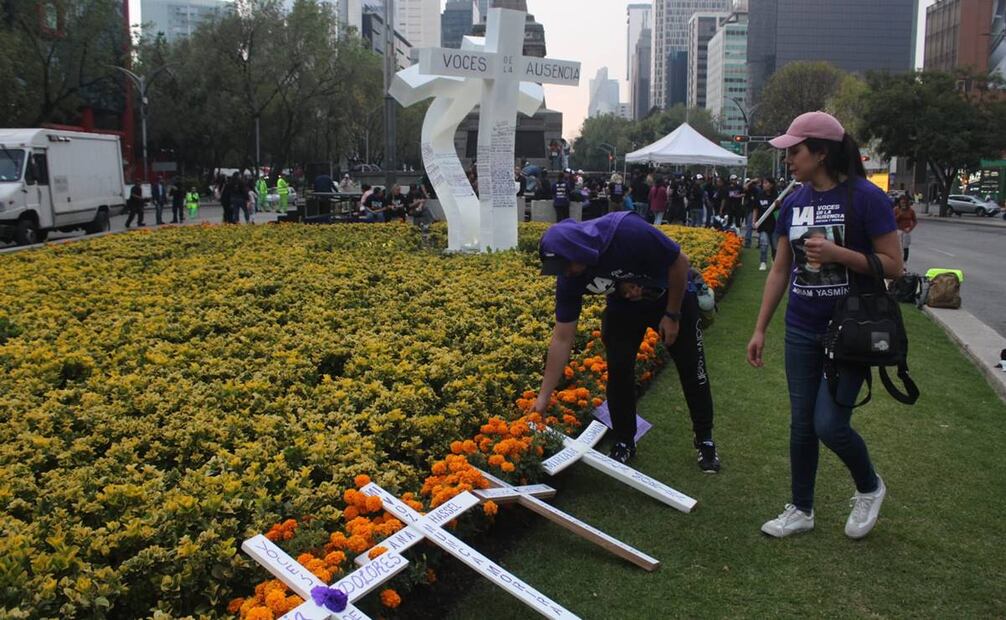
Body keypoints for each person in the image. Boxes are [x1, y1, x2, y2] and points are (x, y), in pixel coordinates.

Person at [746, 111, 902, 540]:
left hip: (850, 331)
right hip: (800, 327)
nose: (788, 160)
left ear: (821, 152)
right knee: (801, 423)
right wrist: (760, 328)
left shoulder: (866, 198)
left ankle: (870, 486)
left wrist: (838, 254)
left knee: (829, 424)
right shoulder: (793, 203)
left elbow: (894, 265)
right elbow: (781, 269)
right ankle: (801, 508)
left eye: (795, 151)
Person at [535, 212, 720, 471]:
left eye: (567, 266)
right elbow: (562, 337)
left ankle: (705, 439)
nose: (565, 274)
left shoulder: (626, 231)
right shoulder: (569, 279)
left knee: (692, 368)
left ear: (578, 250)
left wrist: (672, 315)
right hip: (624, 308)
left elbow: (679, 262)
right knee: (619, 370)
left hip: (671, 298)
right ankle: (624, 440)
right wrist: (543, 398)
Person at [753, 178, 780, 271]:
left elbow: (780, 212)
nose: (764, 185)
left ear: (771, 185)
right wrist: (754, 221)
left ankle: (774, 262)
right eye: (763, 183)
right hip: (763, 225)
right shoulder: (759, 195)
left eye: (766, 183)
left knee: (775, 246)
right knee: (764, 244)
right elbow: (756, 209)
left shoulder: (776, 196)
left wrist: (778, 205)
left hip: (774, 225)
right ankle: (763, 262)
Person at [894, 194, 917, 264]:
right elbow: (892, 220)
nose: (903, 204)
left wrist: (910, 228)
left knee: (905, 246)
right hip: (898, 230)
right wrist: (900, 214)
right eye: (901, 202)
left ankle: (905, 261)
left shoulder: (911, 211)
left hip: (906, 230)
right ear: (899, 203)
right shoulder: (896, 209)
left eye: (904, 202)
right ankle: (898, 260)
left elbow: (915, 221)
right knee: (899, 246)